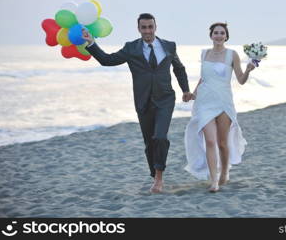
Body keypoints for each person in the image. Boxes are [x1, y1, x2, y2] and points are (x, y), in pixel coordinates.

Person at [83, 13, 192, 193]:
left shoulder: (169, 46)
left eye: (150, 27)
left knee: (160, 137)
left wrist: (185, 90)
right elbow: (107, 60)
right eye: (144, 27)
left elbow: (178, 68)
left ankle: (159, 178)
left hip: (165, 99)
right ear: (138, 29)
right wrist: (91, 42)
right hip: (143, 101)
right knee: (149, 142)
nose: (147, 31)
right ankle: (154, 173)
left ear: (155, 27)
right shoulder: (131, 48)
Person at [184, 22, 255, 192]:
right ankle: (214, 180)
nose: (218, 35)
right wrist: (193, 94)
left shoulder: (232, 55)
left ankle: (224, 172)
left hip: (224, 102)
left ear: (226, 36)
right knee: (209, 140)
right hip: (204, 102)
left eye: (222, 33)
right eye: (215, 33)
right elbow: (203, 78)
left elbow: (241, 80)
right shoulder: (204, 54)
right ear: (211, 36)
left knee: (223, 143)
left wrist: (248, 70)